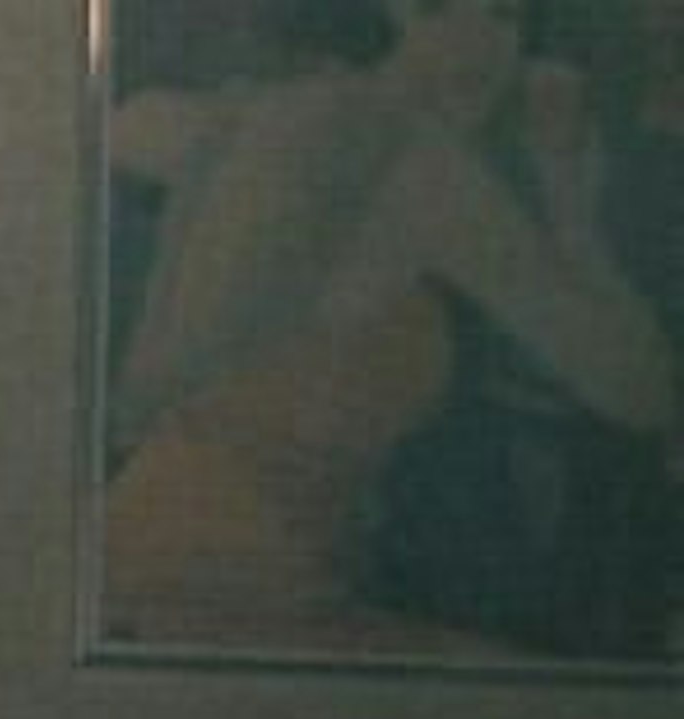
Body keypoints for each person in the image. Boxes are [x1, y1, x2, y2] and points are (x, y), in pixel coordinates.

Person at [101, 0, 678, 655]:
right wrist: (568, 191)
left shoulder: (260, 110)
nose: (476, 46)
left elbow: (131, 129)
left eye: (504, 16)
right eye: (438, 10)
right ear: (388, 10)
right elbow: (640, 391)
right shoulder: (423, 164)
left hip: (143, 550)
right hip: (232, 589)